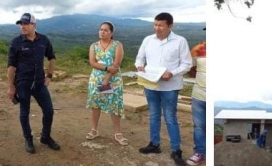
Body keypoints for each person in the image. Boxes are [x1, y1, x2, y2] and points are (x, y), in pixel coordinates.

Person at [136, 12, 192, 165]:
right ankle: (154, 144)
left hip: (170, 86)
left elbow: (187, 64)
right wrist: (139, 66)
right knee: (153, 115)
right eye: (155, 24)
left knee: (170, 118)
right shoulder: (148, 40)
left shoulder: (180, 41)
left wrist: (172, 73)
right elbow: (140, 57)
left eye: (161, 25)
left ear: (170, 26)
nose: (157, 28)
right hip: (151, 84)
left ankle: (176, 150)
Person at [7, 13, 60, 153]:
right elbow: (11, 66)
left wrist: (49, 76)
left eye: (25, 24)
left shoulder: (43, 40)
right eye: (21, 24)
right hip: (23, 83)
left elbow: (52, 58)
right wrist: (11, 87)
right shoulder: (16, 42)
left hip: (39, 83)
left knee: (48, 110)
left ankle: (45, 137)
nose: (22, 26)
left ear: (34, 25)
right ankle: (28, 139)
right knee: (24, 112)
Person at [85, 21, 126, 144]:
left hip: (111, 80)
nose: (102, 32)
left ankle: (118, 133)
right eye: (101, 29)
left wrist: (107, 79)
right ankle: (94, 130)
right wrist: (106, 68)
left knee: (113, 104)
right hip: (96, 79)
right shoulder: (94, 46)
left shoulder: (117, 45)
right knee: (96, 104)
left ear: (111, 33)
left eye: (105, 30)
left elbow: (116, 64)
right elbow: (92, 62)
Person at [186, 33, 206, 165]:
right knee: (199, 126)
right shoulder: (198, 49)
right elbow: (190, 68)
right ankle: (200, 152)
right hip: (199, 95)